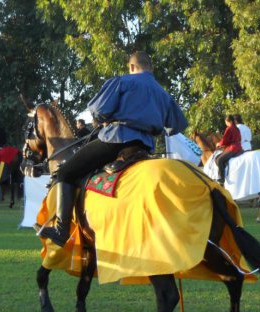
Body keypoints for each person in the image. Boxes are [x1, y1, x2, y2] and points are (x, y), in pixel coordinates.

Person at [38, 51, 188, 246]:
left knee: (66, 172)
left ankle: (61, 230)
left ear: (132, 67)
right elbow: (176, 125)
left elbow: (98, 109)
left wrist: (105, 119)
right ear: (150, 68)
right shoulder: (163, 93)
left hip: (116, 140)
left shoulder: (123, 82)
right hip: (143, 145)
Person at [214, 115, 243, 185]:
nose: (226, 123)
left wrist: (219, 144)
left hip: (233, 148)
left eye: (226, 122)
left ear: (228, 121)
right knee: (217, 157)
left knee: (219, 160)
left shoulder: (229, 128)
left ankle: (222, 179)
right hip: (238, 147)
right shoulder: (237, 128)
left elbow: (224, 140)